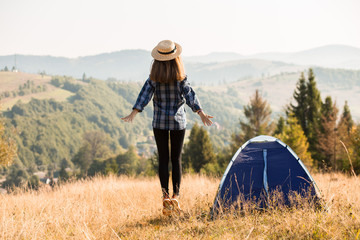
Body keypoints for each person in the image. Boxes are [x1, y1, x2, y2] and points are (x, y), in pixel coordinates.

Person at [121, 40, 213, 215]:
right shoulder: (181, 78)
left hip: (159, 123)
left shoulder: (154, 79)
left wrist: (134, 112)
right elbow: (190, 95)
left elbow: (144, 95)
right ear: (176, 59)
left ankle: (165, 197)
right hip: (178, 123)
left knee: (163, 159)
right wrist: (200, 112)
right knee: (176, 159)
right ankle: (176, 196)